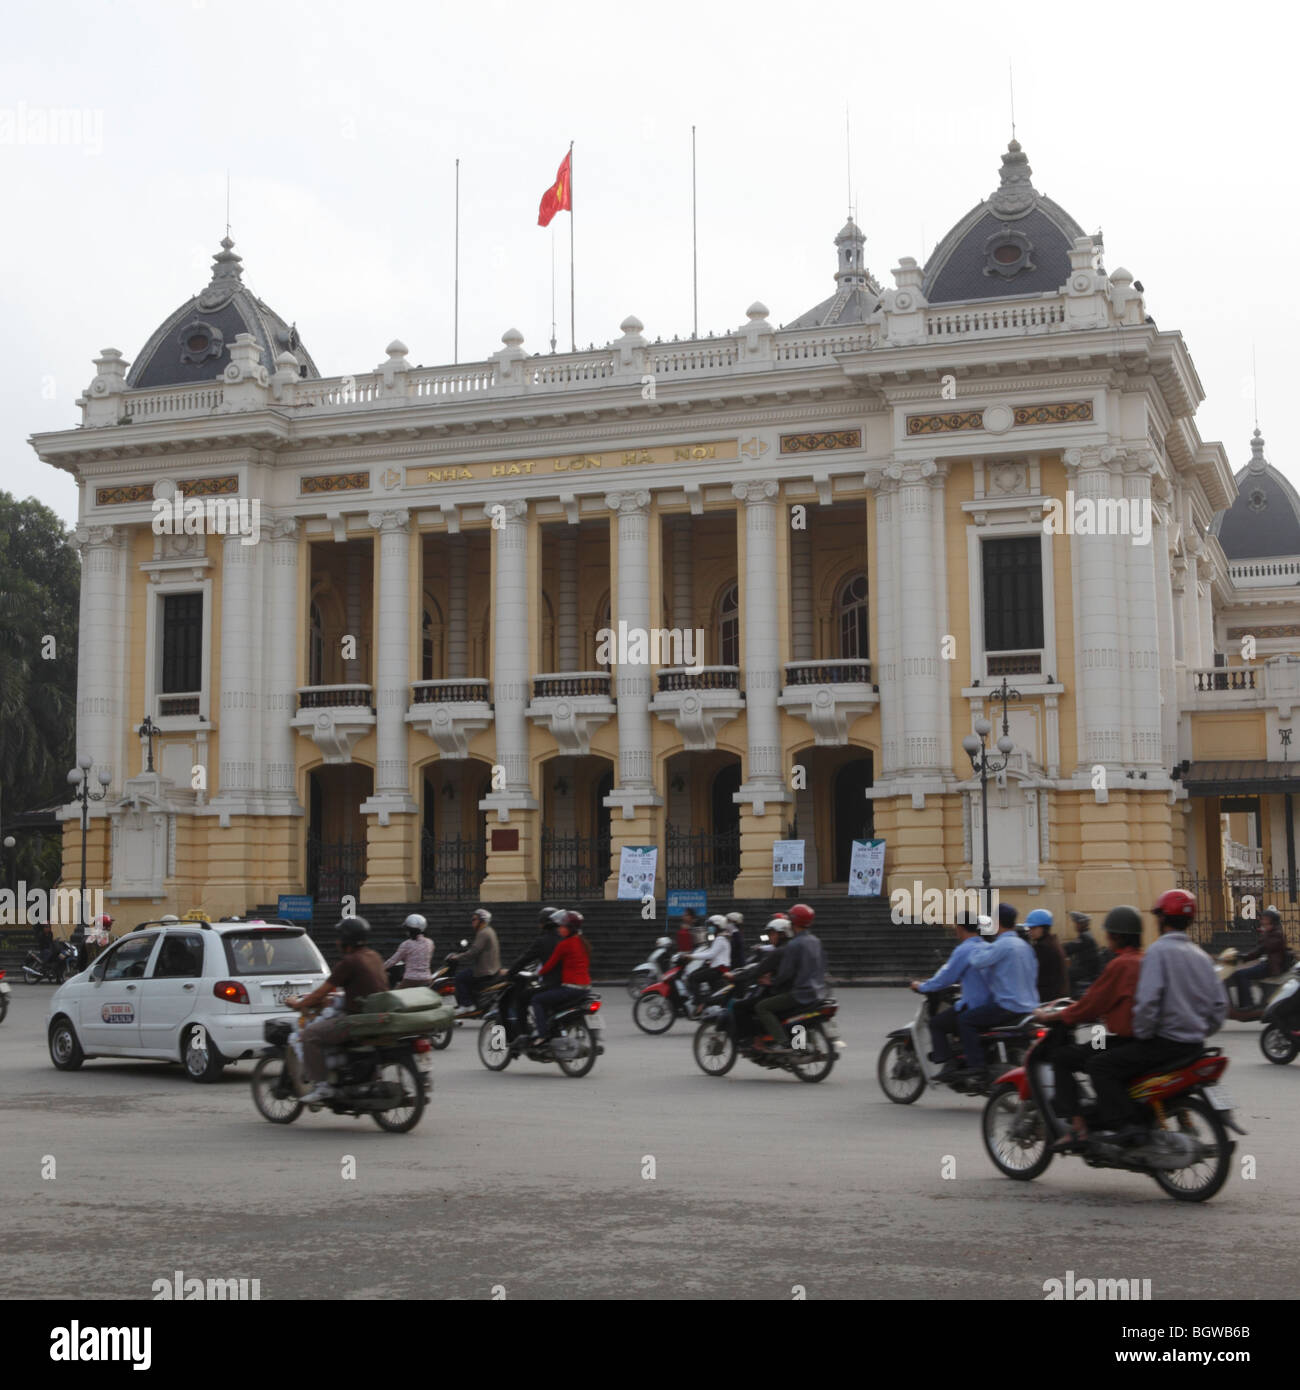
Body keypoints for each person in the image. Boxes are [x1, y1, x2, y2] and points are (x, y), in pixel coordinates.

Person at [1089, 889, 1229, 1138]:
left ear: (1161, 919)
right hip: (1195, 1045)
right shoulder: (1202, 957)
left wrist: (1143, 1033)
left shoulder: (1157, 952)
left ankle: (1127, 1127)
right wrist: (1200, 1030)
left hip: (1163, 1045)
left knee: (1100, 1065)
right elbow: (1219, 1007)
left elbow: (1148, 1002)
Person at [1033, 907, 1144, 1151]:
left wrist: (1061, 1015)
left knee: (1064, 1058)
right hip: (1130, 1036)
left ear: (1117, 936)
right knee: (1096, 1045)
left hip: (1124, 1038)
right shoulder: (1142, 960)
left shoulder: (1120, 964)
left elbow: (1094, 1002)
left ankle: (1079, 1126)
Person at [285, 916, 389, 1104]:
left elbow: (320, 993)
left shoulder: (350, 962)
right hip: (377, 1016)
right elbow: (363, 988)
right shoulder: (374, 956)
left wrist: (299, 1004)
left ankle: (323, 1087)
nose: (337, 941)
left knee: (309, 1034)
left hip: (356, 1022)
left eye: (340, 937)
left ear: (347, 940)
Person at [956, 904, 1039, 1083]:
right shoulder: (1024, 946)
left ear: (998, 922)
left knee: (966, 1020)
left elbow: (977, 961)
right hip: (1030, 1007)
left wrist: (975, 943)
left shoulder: (1002, 945)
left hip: (1008, 1006)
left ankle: (976, 1067)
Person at [910, 914, 992, 1081]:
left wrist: (922, 986)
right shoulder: (987, 947)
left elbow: (946, 977)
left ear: (960, 928)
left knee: (937, 1023)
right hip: (990, 1004)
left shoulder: (964, 950)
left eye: (956, 927)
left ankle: (949, 1064)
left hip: (974, 1004)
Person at [753, 903, 827, 1053]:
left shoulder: (794, 944)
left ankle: (782, 1042)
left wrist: (771, 982)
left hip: (800, 993)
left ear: (793, 922)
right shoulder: (815, 941)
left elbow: (786, 973)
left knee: (762, 1007)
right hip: (818, 992)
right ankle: (797, 1041)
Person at [499, 907, 563, 1037]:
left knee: (523, 999)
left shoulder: (543, 940)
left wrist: (509, 973)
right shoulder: (564, 938)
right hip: (569, 983)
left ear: (543, 923)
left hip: (552, 984)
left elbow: (525, 958)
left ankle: (525, 1034)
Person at [529, 912, 592, 1042]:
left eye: (563, 926)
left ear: (570, 928)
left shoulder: (564, 945)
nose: (559, 928)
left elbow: (550, 964)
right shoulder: (584, 943)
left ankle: (542, 1034)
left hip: (571, 989)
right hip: (586, 988)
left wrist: (536, 975)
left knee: (537, 999)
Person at [1228, 906, 1292, 1018]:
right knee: (1239, 973)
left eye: (1265, 919)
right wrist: (1243, 957)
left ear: (1271, 920)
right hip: (1268, 964)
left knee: (1241, 974)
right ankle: (1246, 1005)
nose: (1262, 920)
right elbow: (1260, 950)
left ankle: (1247, 1005)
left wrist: (1264, 933)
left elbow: (1264, 947)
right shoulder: (1271, 932)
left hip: (1272, 967)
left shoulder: (1276, 933)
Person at [449, 908, 501, 1013]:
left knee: (460, 978)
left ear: (482, 921)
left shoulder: (483, 933)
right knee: (467, 974)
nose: (472, 922)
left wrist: (456, 957)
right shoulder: (489, 931)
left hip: (485, 971)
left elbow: (473, 952)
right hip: (492, 969)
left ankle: (467, 1004)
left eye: (474, 919)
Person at [685, 915, 732, 1014]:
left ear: (718, 926)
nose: (710, 928)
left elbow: (711, 954)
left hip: (718, 970)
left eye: (711, 925)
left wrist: (692, 956)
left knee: (693, 977)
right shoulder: (721, 938)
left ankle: (698, 1003)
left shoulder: (720, 939)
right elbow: (712, 953)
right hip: (718, 969)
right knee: (713, 992)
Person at [1026, 909, 1069, 1001]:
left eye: (1033, 928)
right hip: (1056, 995)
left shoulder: (1043, 947)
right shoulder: (1052, 942)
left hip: (1047, 997)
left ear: (1044, 928)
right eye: (1029, 928)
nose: (1030, 932)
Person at [385, 913, 434, 989]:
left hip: (410, 980)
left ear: (409, 930)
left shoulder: (406, 944)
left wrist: (380, 968)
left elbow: (393, 961)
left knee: (394, 996)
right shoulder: (430, 943)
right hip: (427, 979)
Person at [1065, 911, 1102, 996]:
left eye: (1077, 923)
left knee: (1067, 973)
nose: (1075, 925)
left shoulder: (1085, 937)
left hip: (1088, 970)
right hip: (1087, 968)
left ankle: (1071, 997)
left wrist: (1059, 949)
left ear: (1082, 924)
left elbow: (1070, 948)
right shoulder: (1086, 935)